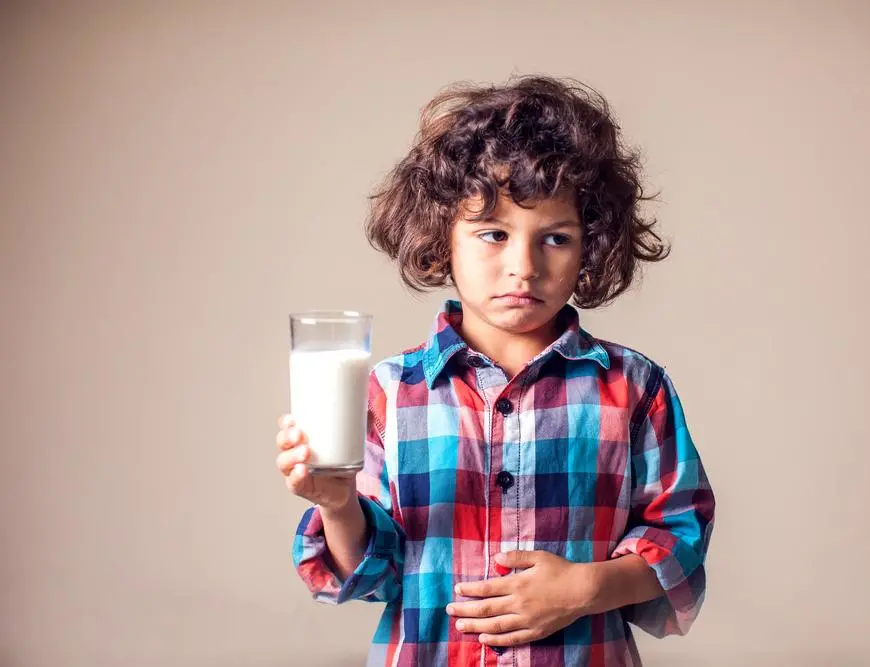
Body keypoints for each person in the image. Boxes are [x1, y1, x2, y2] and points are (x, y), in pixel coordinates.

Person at [275, 75, 715, 667]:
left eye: (555, 238)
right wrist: (336, 505)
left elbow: (680, 535)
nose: (523, 266)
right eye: (493, 234)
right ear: (441, 239)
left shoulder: (634, 387)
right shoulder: (389, 391)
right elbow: (371, 573)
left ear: (591, 245)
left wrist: (586, 589)